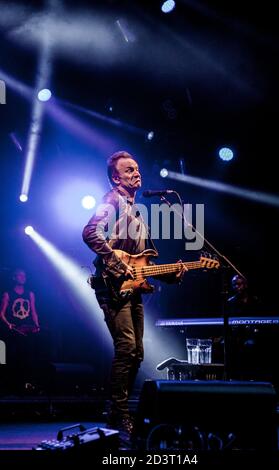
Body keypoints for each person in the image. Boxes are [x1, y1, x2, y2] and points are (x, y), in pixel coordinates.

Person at [82, 150, 186, 436]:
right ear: (116, 177)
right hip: (111, 285)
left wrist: (171, 275)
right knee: (127, 348)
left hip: (131, 288)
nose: (136, 173)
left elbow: (143, 265)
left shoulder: (137, 211)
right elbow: (90, 232)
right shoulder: (112, 200)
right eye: (128, 170)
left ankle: (119, 412)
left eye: (137, 169)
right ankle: (118, 414)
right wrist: (117, 264)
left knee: (138, 353)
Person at [0, 269, 40, 390]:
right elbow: (1, 313)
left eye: (24, 276)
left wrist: (36, 325)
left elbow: (33, 311)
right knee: (13, 357)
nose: (23, 278)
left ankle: (26, 383)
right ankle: (11, 385)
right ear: (14, 278)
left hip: (27, 331)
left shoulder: (30, 294)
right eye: (20, 276)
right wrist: (8, 324)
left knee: (27, 357)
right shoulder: (8, 294)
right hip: (14, 331)